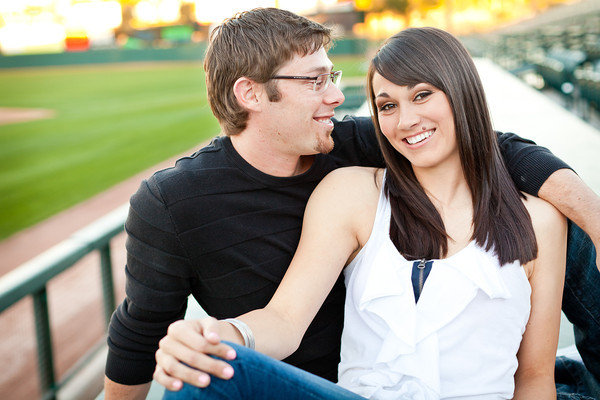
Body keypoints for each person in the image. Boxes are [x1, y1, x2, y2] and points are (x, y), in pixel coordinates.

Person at [104, 8, 600, 400]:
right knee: (197, 368)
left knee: (563, 223)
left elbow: (496, 147)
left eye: (334, 77)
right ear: (250, 93)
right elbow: (268, 323)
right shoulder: (181, 200)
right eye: (315, 81)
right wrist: (213, 336)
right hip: (322, 387)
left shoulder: (344, 143)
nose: (337, 97)